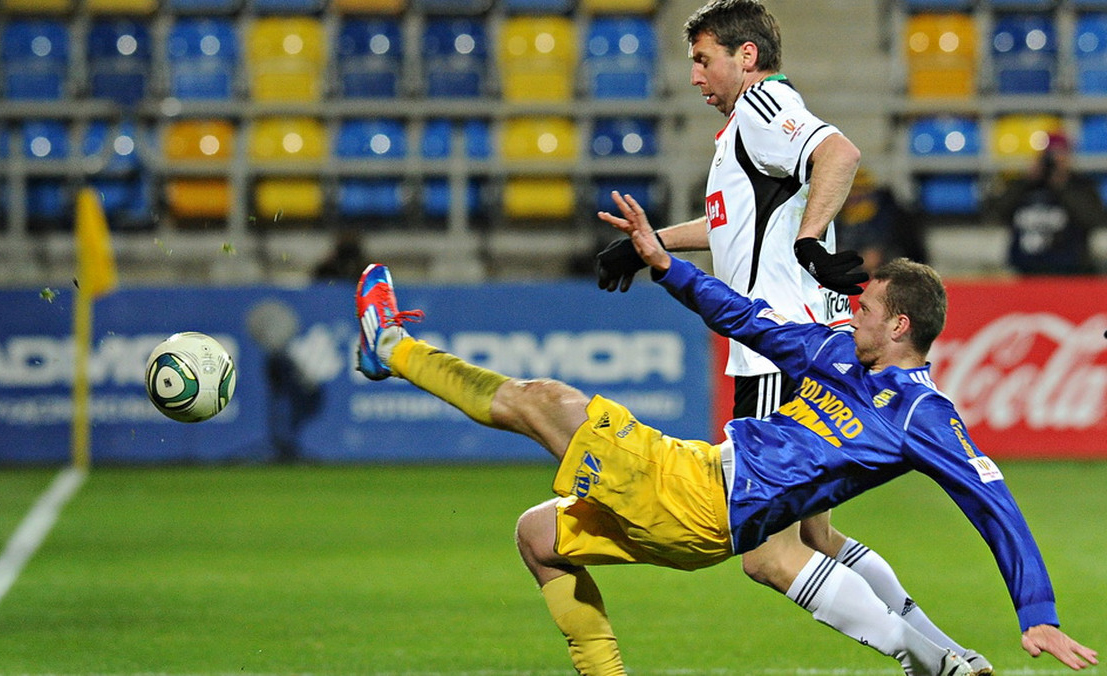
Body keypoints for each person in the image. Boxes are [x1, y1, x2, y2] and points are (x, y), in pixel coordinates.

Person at [351, 212, 1098, 675]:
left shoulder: (922, 415)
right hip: (701, 487)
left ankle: (392, 347)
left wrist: (1036, 610)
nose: (853, 309)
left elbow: (993, 503)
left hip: (705, 499)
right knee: (540, 537)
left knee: (540, 402)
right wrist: (668, 266)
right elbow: (749, 321)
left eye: (865, 306)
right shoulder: (837, 354)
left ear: (899, 325)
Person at [594, 1, 975, 669]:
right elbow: (733, 228)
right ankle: (946, 652)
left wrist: (808, 243)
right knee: (818, 536)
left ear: (745, 57)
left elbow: (839, 153)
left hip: (776, 351)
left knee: (768, 555)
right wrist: (653, 246)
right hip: (807, 344)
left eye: (702, 60)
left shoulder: (764, 106)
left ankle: (926, 658)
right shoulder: (748, 131)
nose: (693, 77)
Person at [991, 133, 1104, 275]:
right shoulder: (1025, 186)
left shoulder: (1080, 185)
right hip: (1026, 271)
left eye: (1059, 154)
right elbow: (996, 213)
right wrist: (1027, 181)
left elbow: (1093, 218)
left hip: (1070, 272)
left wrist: (1062, 186)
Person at [837, 168, 928, 273]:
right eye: (850, 192)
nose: (854, 197)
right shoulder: (836, 217)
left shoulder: (896, 218)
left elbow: (913, 255)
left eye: (860, 191)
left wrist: (883, 253)